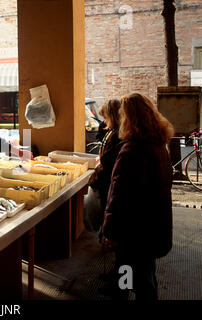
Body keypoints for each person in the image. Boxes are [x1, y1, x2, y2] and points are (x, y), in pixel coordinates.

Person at [101, 93, 174, 300]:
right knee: (146, 277)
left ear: (129, 118)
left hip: (132, 232)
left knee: (128, 277)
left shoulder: (131, 151)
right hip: (153, 227)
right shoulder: (158, 145)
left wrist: (109, 230)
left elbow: (118, 196)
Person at [85, 99, 123, 232]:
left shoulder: (117, 135)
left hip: (109, 183)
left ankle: (106, 236)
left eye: (106, 118)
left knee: (107, 215)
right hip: (108, 182)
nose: (104, 122)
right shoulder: (112, 132)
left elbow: (109, 162)